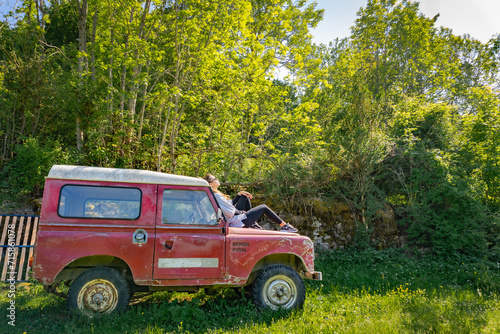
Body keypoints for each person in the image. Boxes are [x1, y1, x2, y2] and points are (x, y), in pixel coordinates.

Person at [203, 174, 298, 233]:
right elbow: (230, 212)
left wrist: (239, 195)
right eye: (215, 178)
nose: (218, 179)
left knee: (244, 196)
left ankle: (253, 224)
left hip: (234, 219)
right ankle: (285, 226)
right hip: (235, 222)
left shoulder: (215, 194)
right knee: (263, 207)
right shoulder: (217, 196)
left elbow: (229, 205)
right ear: (210, 184)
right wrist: (241, 212)